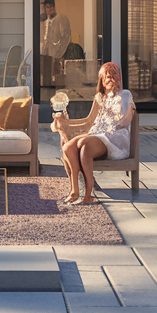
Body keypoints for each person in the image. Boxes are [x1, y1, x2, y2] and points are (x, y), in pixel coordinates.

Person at [53, 62, 133, 206]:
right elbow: (88, 121)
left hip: (114, 138)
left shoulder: (124, 95)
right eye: (106, 77)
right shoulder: (100, 98)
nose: (109, 80)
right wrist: (66, 122)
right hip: (97, 135)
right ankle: (75, 191)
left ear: (119, 78)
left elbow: (123, 119)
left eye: (113, 76)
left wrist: (117, 97)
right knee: (67, 148)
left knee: (83, 143)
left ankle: (88, 193)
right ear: (101, 81)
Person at [40, 0, 71, 85]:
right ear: (44, 8)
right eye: (48, 7)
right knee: (44, 70)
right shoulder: (41, 20)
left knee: (55, 71)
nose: (50, 9)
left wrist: (60, 50)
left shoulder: (60, 19)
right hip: (43, 50)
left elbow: (66, 36)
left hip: (55, 50)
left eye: (52, 7)